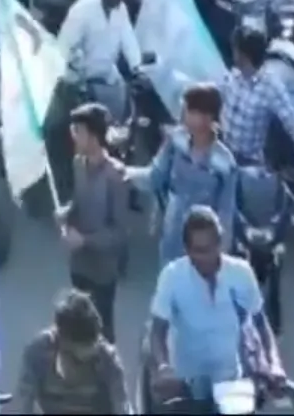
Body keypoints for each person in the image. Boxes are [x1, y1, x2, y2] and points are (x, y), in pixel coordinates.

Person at [147, 207, 281, 407]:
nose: (208, 256)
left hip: (231, 383)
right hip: (186, 384)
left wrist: (274, 363)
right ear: (187, 249)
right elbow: (157, 330)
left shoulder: (241, 272)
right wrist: (163, 367)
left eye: (213, 247)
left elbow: (260, 322)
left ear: (221, 242)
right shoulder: (172, 276)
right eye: (200, 251)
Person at [149, 82, 240, 266]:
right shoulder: (175, 142)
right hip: (172, 236)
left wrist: (222, 256)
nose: (184, 115)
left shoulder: (224, 164)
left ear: (207, 117)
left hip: (202, 247)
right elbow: (156, 176)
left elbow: (226, 212)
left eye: (189, 110)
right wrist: (125, 173)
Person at [60, 103, 132, 339]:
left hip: (102, 271)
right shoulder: (77, 164)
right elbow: (79, 201)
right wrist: (66, 212)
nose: (73, 136)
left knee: (102, 331)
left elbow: (119, 233)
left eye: (78, 131)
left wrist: (85, 240)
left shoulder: (116, 176)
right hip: (78, 265)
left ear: (93, 136)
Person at [16, 289, 130, 415]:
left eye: (90, 360)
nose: (83, 369)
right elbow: (21, 404)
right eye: (77, 361)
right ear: (57, 342)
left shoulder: (108, 361)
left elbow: (123, 407)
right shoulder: (37, 354)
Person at [219, 26, 294, 174]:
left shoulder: (270, 87)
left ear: (244, 56)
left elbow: (293, 124)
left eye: (236, 50)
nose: (233, 53)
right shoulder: (233, 75)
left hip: (247, 165)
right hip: (221, 153)